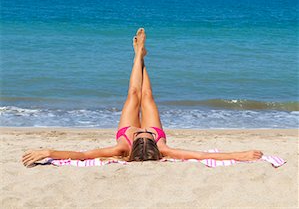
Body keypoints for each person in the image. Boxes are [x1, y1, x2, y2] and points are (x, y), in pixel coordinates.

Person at [22, 28, 263, 167]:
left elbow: (84, 155)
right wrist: (240, 155)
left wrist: (50, 151)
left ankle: (137, 54)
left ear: (135, 140)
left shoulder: (121, 145)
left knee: (132, 94)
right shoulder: (163, 146)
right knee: (147, 95)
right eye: (145, 132)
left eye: (141, 132)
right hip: (150, 141)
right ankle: (142, 56)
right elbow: (202, 155)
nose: (142, 128)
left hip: (125, 136)